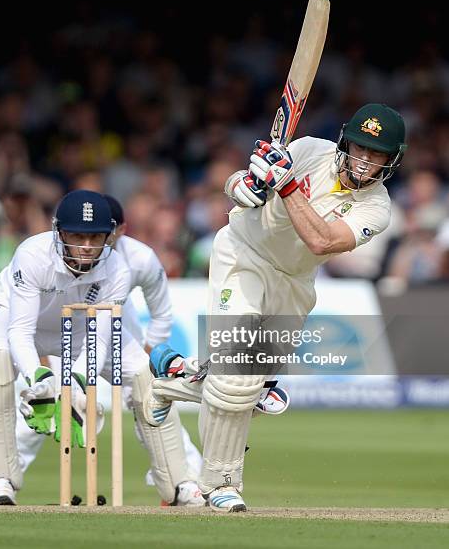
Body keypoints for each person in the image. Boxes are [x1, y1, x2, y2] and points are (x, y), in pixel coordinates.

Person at [143, 103, 407, 512]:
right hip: (243, 255)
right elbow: (239, 181)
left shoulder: (378, 208)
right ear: (344, 142)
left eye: (376, 156)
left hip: (295, 282)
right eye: (359, 148)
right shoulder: (308, 150)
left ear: (390, 162)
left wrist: (285, 188)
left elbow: (322, 242)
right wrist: (242, 186)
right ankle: (221, 484)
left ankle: (173, 381)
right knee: (238, 378)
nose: (364, 161)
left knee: (257, 393)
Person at [0, 189, 203, 506]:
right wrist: (38, 377)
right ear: (59, 232)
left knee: (145, 376)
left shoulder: (118, 267)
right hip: (13, 316)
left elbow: (101, 337)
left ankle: (179, 483)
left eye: (96, 238)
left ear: (109, 236)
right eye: (78, 236)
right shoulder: (33, 254)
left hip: (82, 327)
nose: (87, 247)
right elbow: (21, 330)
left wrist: (76, 384)